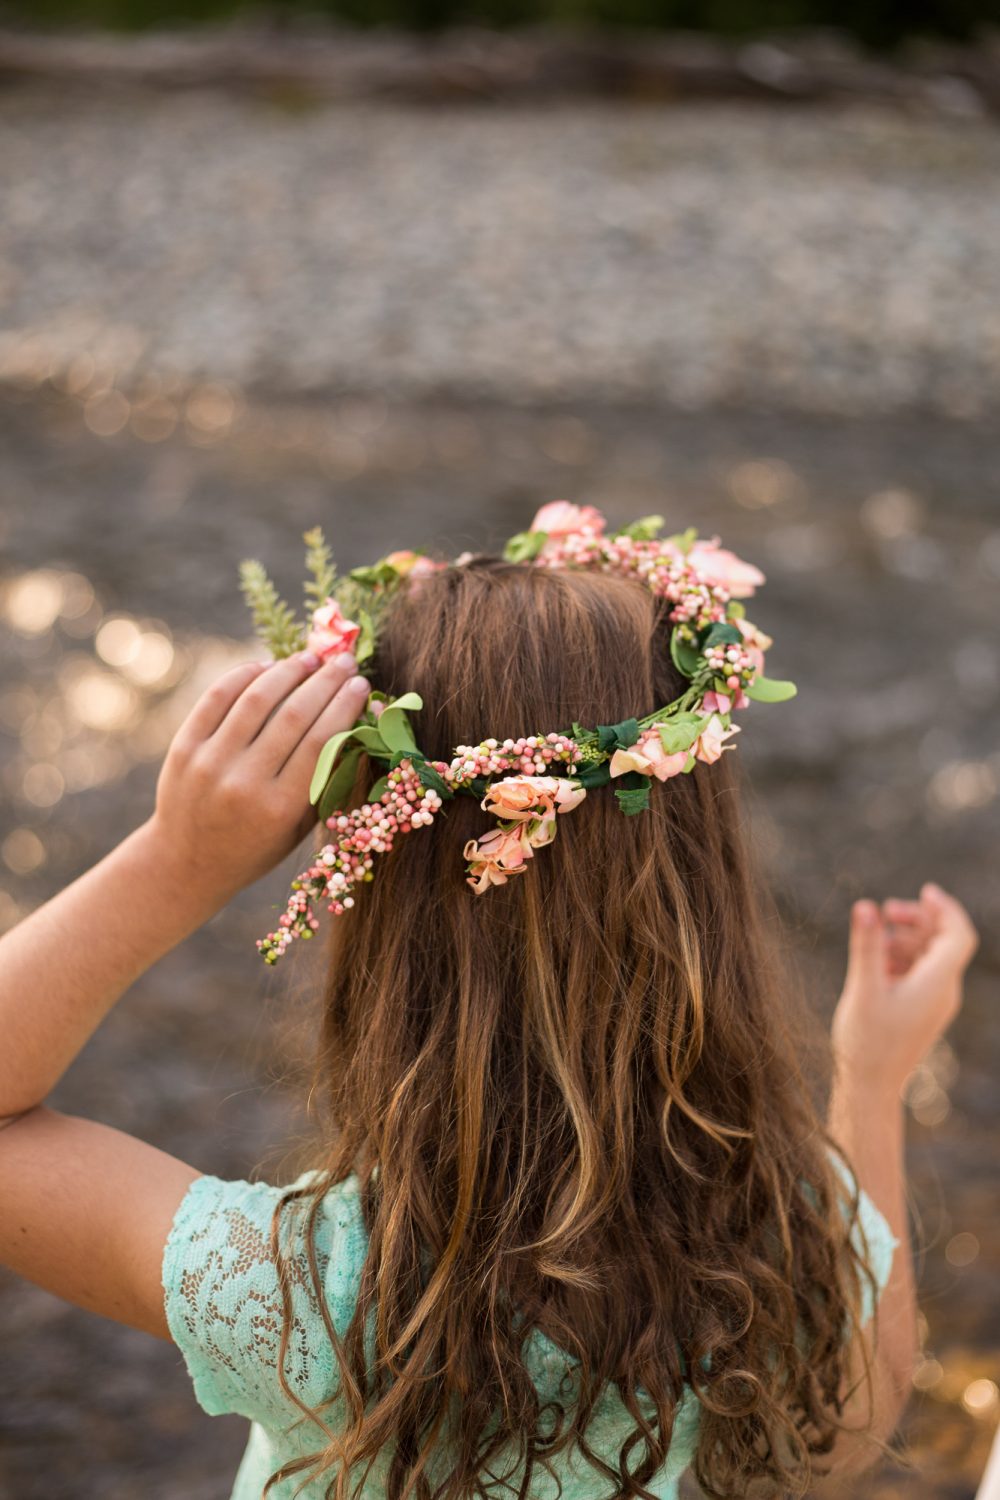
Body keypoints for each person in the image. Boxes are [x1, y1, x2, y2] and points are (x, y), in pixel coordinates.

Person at [0, 522, 979, 1500]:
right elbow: (850, 1432)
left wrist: (178, 864)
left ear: (387, 887)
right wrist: (872, 1076)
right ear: (702, 874)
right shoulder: (787, 1257)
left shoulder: (310, 1299)